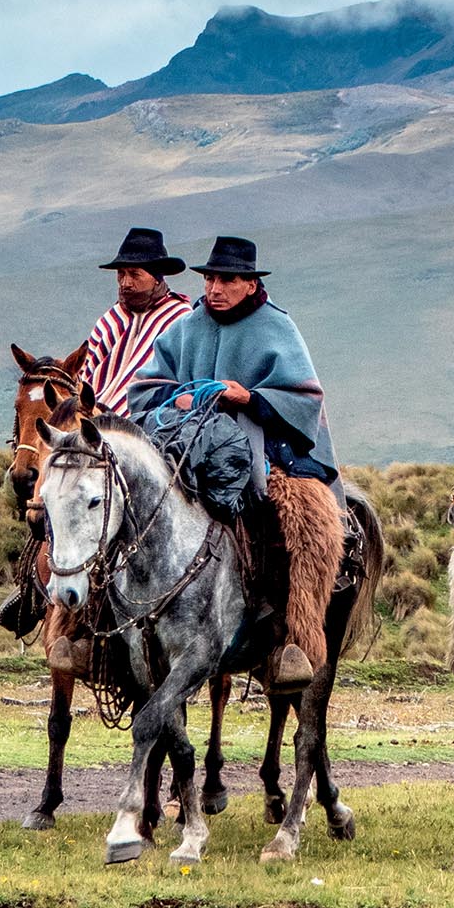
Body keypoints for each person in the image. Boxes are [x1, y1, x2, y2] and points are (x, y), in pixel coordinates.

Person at [127, 236, 342, 695]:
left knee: (305, 515)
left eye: (226, 279)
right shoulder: (187, 327)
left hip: (267, 445)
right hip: (186, 444)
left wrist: (250, 396)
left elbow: (305, 398)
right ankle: (94, 630)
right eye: (209, 279)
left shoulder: (277, 327)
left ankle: (295, 637)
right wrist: (177, 395)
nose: (215, 288)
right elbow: (144, 390)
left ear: (249, 283)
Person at [81, 227, 192, 417]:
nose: (125, 282)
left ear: (156, 278)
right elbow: (86, 373)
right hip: (90, 416)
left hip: (152, 419)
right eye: (121, 274)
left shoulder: (180, 318)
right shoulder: (112, 319)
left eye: (134, 274)